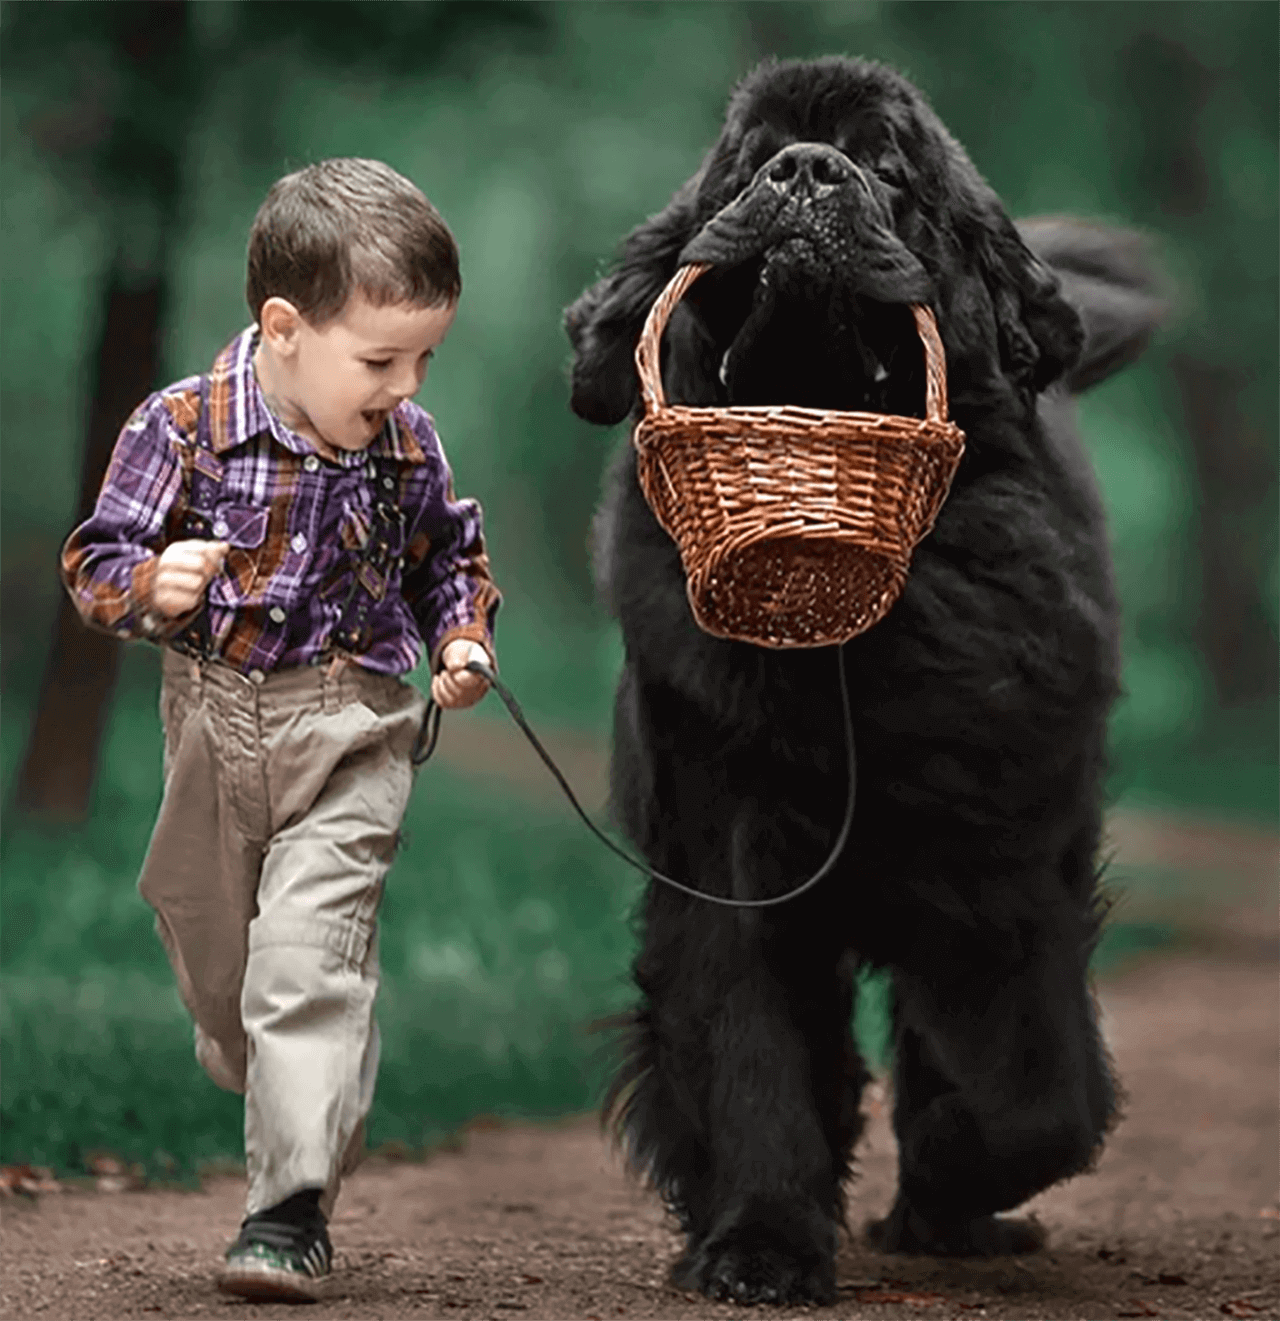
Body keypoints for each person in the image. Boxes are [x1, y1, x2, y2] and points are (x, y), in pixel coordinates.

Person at [60, 158, 501, 1302]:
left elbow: (446, 555)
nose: (405, 386)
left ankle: (287, 1209)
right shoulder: (184, 427)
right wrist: (151, 583)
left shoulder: (404, 446)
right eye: (379, 359)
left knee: (305, 962)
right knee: (223, 982)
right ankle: (280, 1068)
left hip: (349, 727)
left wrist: (459, 639)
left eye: (423, 359)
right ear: (284, 327)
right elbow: (95, 560)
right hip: (211, 730)